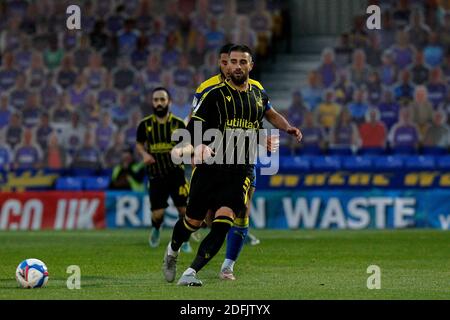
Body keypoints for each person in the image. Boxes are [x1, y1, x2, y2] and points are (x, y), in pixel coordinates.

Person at [163, 45, 302, 286]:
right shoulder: (213, 94)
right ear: (225, 64)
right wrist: (197, 148)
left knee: (224, 222)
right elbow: (192, 130)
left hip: (240, 169)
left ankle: (191, 272)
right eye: (233, 61)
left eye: (242, 62)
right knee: (193, 222)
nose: (237, 66)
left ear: (251, 66)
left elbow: (254, 126)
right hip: (211, 167)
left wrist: (284, 128)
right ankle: (172, 250)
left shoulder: (258, 95)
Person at [136, 87, 192, 253]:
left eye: (162, 99)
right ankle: (156, 229)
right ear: (152, 103)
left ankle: (185, 240)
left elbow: (189, 145)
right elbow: (139, 144)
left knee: (184, 210)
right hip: (156, 174)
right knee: (157, 214)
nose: (159, 103)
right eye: (156, 100)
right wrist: (144, 154)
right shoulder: (144, 125)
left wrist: (180, 150)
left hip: (177, 174)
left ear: (169, 102)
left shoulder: (178, 124)